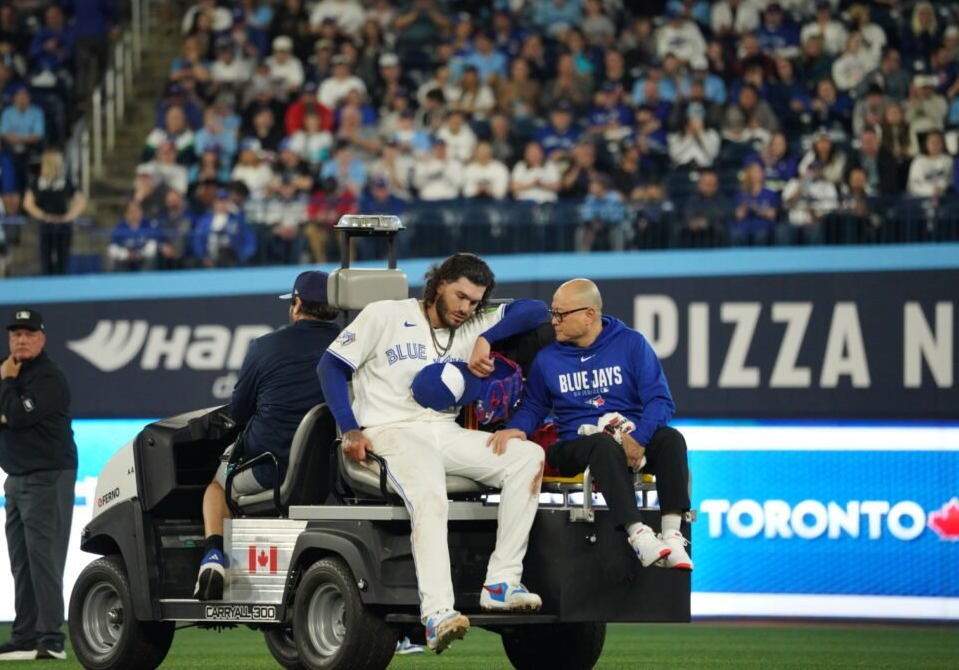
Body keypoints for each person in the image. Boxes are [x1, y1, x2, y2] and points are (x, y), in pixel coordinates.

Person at [316, 254, 549, 653]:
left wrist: (486, 337)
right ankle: (438, 613)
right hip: (389, 431)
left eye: (475, 302)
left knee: (526, 457)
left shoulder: (473, 324)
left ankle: (501, 582)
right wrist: (350, 427)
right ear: (439, 283)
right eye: (460, 296)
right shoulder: (385, 314)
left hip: (444, 430)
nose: (466, 308)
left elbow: (537, 310)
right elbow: (330, 366)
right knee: (429, 491)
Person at [496, 279, 693, 572]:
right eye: (553, 313)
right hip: (573, 445)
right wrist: (518, 428)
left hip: (627, 439)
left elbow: (661, 401)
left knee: (671, 439)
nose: (554, 321)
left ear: (589, 315)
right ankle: (637, 532)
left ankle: (673, 533)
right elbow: (535, 406)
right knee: (601, 444)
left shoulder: (631, 343)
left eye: (561, 314)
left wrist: (638, 438)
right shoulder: (547, 358)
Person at [195, 271, 341, 600]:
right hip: (335, 472)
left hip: (270, 470)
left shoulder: (265, 347)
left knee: (216, 486)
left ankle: (214, 556)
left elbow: (239, 412)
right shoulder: (351, 343)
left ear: (297, 304)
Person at [0, 309, 77, 661]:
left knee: (44, 560)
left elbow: (16, 415)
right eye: (15, 334)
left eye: (29, 333)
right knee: (21, 562)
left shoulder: (49, 377)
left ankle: (50, 639)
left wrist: (5, 394)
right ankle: (24, 635)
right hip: (15, 480)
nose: (21, 339)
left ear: (42, 338)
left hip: (48, 477)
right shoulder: (7, 370)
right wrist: (5, 408)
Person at [23, 149, 86, 275]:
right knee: (46, 259)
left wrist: (68, 217)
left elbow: (81, 201)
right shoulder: (38, 183)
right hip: (46, 226)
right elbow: (27, 203)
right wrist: (44, 217)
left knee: (62, 259)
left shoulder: (64, 182)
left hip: (62, 225)